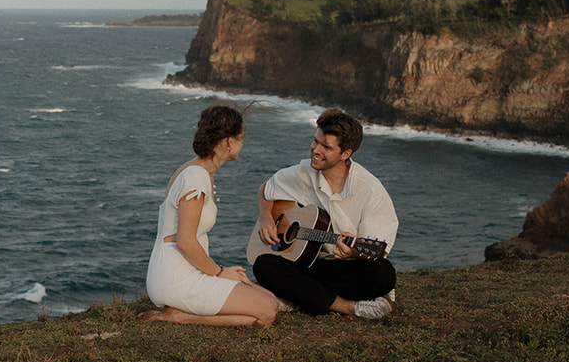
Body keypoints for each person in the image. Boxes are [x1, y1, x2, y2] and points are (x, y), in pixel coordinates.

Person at [251, 108, 398, 320]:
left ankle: (304, 297)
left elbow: (377, 249)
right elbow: (266, 190)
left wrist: (353, 252)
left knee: (383, 274)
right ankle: (348, 307)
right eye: (315, 141)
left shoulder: (370, 190)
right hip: (308, 265)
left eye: (325, 146)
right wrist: (266, 217)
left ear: (345, 154)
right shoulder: (302, 174)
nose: (315, 150)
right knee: (264, 264)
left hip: (342, 270)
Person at [142, 103, 279, 326]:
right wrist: (220, 272)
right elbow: (185, 242)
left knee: (270, 300)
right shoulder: (195, 176)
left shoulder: (197, 170)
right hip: (175, 278)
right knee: (267, 311)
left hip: (185, 271)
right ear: (228, 141)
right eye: (241, 138)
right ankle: (181, 317)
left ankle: (180, 313)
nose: (242, 144)